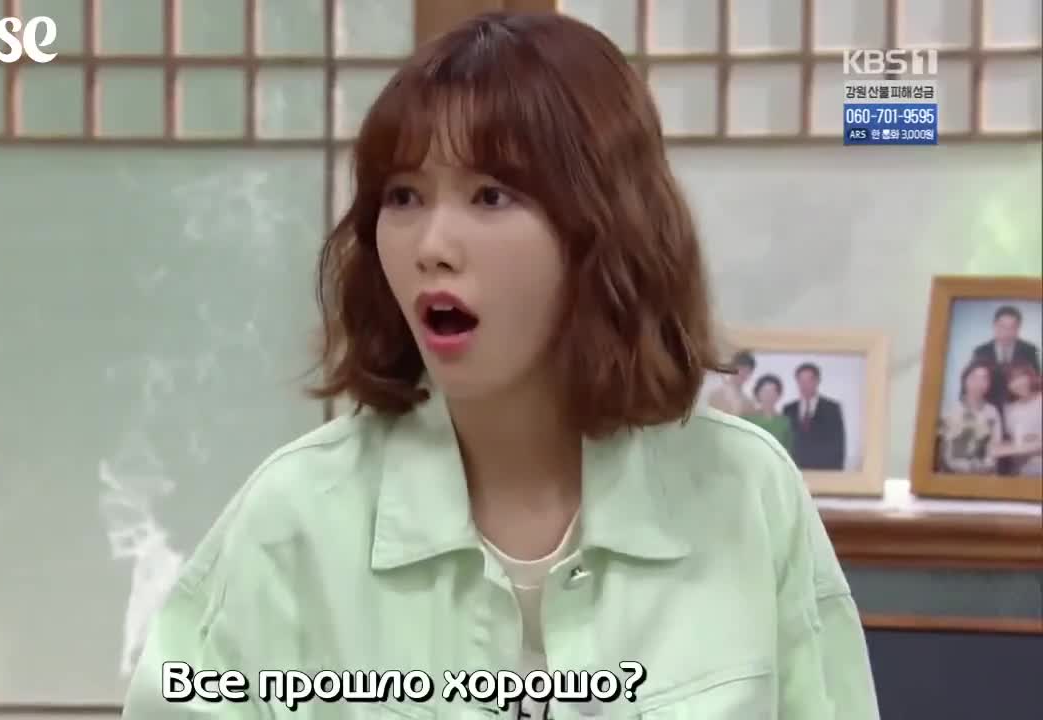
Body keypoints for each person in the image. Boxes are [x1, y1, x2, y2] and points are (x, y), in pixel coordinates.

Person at [122, 12, 877, 719]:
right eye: (403, 196)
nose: (431, 246)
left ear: (604, 225)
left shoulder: (746, 495)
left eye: (490, 196)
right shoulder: (295, 520)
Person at [971, 305, 1041, 412]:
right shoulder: (981, 351)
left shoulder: (1030, 350)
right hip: (989, 408)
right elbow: (972, 381)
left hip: (1021, 408)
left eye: (1012, 327)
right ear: (994, 326)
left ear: (1018, 328)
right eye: (1002, 326)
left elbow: (1037, 382)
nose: (1007, 332)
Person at [939, 361, 1004, 474]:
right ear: (964, 380)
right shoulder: (950, 410)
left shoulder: (992, 411)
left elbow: (996, 446)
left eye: (984, 378)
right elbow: (945, 451)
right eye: (974, 378)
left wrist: (985, 466)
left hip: (986, 475)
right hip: (954, 475)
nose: (979, 383)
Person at [782, 362, 847, 471]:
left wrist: (836, 473)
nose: (804, 385)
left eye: (809, 380)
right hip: (795, 470)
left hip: (824, 470)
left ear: (817, 381)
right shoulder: (788, 409)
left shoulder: (832, 408)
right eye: (801, 381)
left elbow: (838, 444)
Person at [993, 362, 1042, 476]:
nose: (1018, 383)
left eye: (1021, 376)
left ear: (1030, 377)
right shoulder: (1009, 410)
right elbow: (1014, 441)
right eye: (1012, 380)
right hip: (1020, 471)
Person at [743, 374, 794, 453]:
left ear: (778, 395)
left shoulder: (785, 422)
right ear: (758, 393)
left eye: (772, 391)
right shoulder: (747, 419)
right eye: (765, 391)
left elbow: (789, 450)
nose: (768, 395)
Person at [706, 350, 758, 416]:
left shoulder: (748, 402)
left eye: (747, 371)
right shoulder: (716, 393)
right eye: (741, 369)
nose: (743, 374)